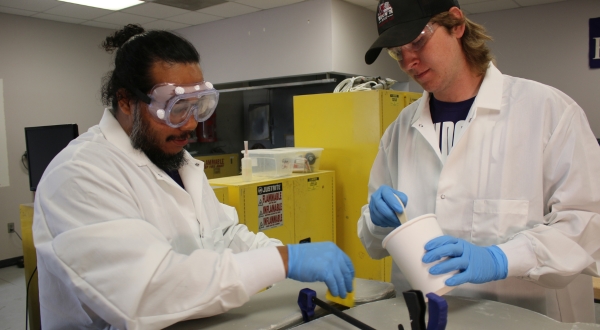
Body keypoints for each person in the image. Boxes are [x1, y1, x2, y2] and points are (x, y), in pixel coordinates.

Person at [33, 24, 354, 330]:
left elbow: (223, 235)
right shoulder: (79, 175)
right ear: (127, 100)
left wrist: (283, 252)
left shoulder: (178, 161)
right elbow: (148, 293)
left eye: (198, 106)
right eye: (175, 108)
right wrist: (283, 260)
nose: (191, 125)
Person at [358, 0, 600, 323]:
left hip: (526, 321)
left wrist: (501, 258)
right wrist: (376, 221)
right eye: (397, 53)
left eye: (417, 41)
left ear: (456, 24)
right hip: (425, 319)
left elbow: (586, 224)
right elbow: (373, 242)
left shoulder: (549, 113)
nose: (409, 62)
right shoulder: (398, 133)